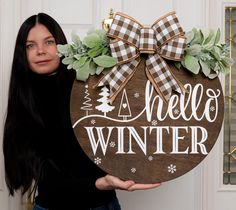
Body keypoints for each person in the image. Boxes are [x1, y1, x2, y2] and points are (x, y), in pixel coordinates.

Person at [3, 13, 160, 210]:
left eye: (49, 42)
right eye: (30, 45)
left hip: (104, 205)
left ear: (61, 44)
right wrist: (99, 183)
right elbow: (44, 178)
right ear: (22, 53)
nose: (40, 51)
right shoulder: (24, 104)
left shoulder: (89, 84)